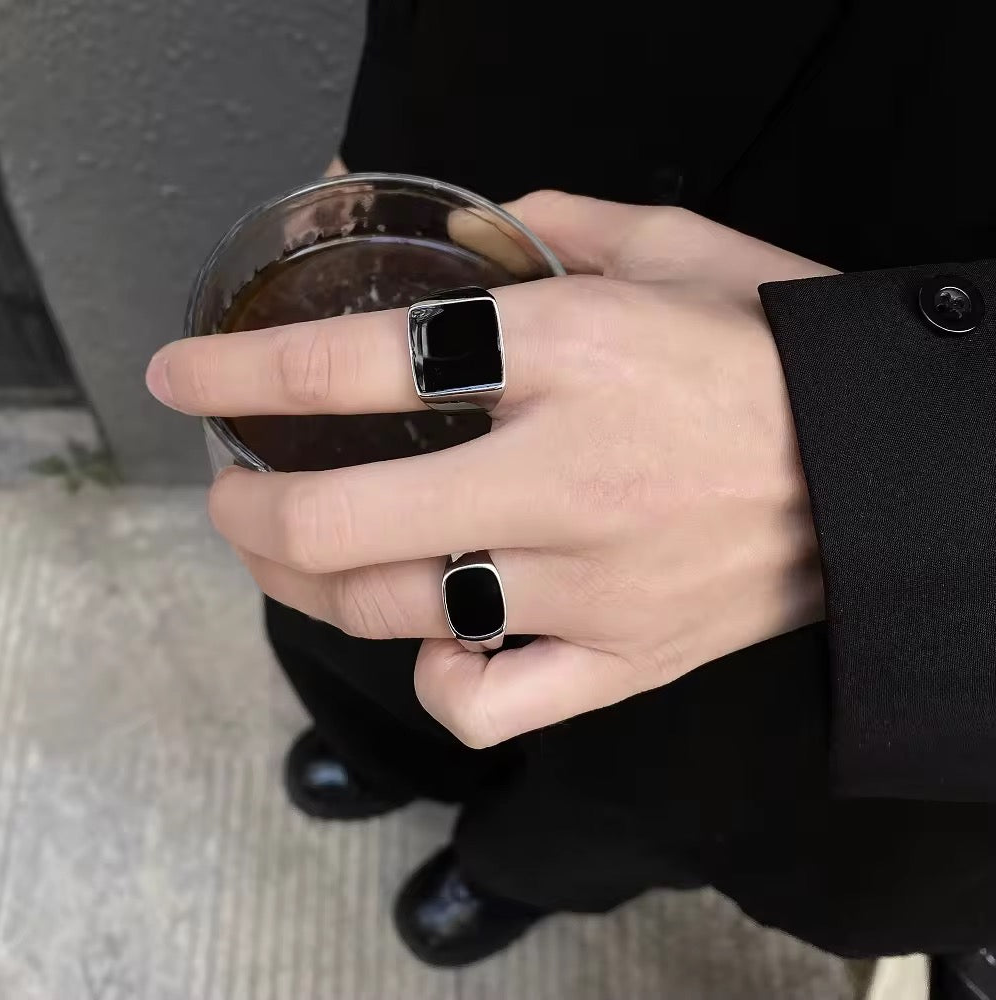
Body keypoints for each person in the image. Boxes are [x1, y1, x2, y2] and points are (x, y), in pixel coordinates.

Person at [147, 1, 996, 995]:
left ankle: (515, 871)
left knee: (692, 772)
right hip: (514, 114)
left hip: (921, 514)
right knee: (364, 584)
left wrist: (899, 458)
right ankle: (391, 755)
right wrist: (384, 134)